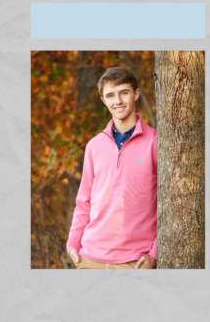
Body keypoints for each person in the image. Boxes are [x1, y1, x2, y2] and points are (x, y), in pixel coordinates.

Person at [67, 67, 157, 269]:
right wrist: (73, 243)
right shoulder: (94, 146)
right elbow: (84, 201)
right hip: (90, 258)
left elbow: (170, 204)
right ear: (103, 100)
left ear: (136, 94)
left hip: (135, 261)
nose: (118, 101)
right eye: (110, 95)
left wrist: (155, 252)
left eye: (124, 92)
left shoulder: (156, 142)